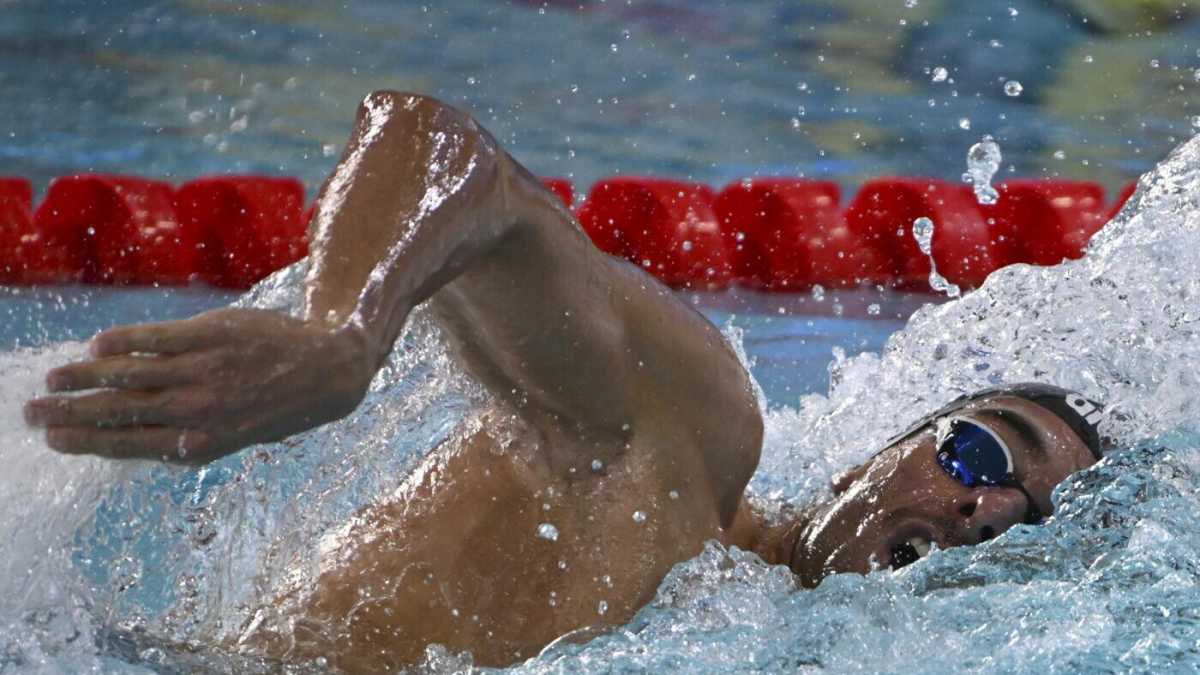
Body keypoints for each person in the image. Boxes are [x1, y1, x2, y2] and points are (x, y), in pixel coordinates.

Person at [22, 91, 1108, 672]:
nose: (983, 510)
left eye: (1028, 524)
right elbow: (438, 144)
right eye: (979, 451)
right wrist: (342, 335)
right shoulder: (682, 447)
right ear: (873, 458)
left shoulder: (753, 633)